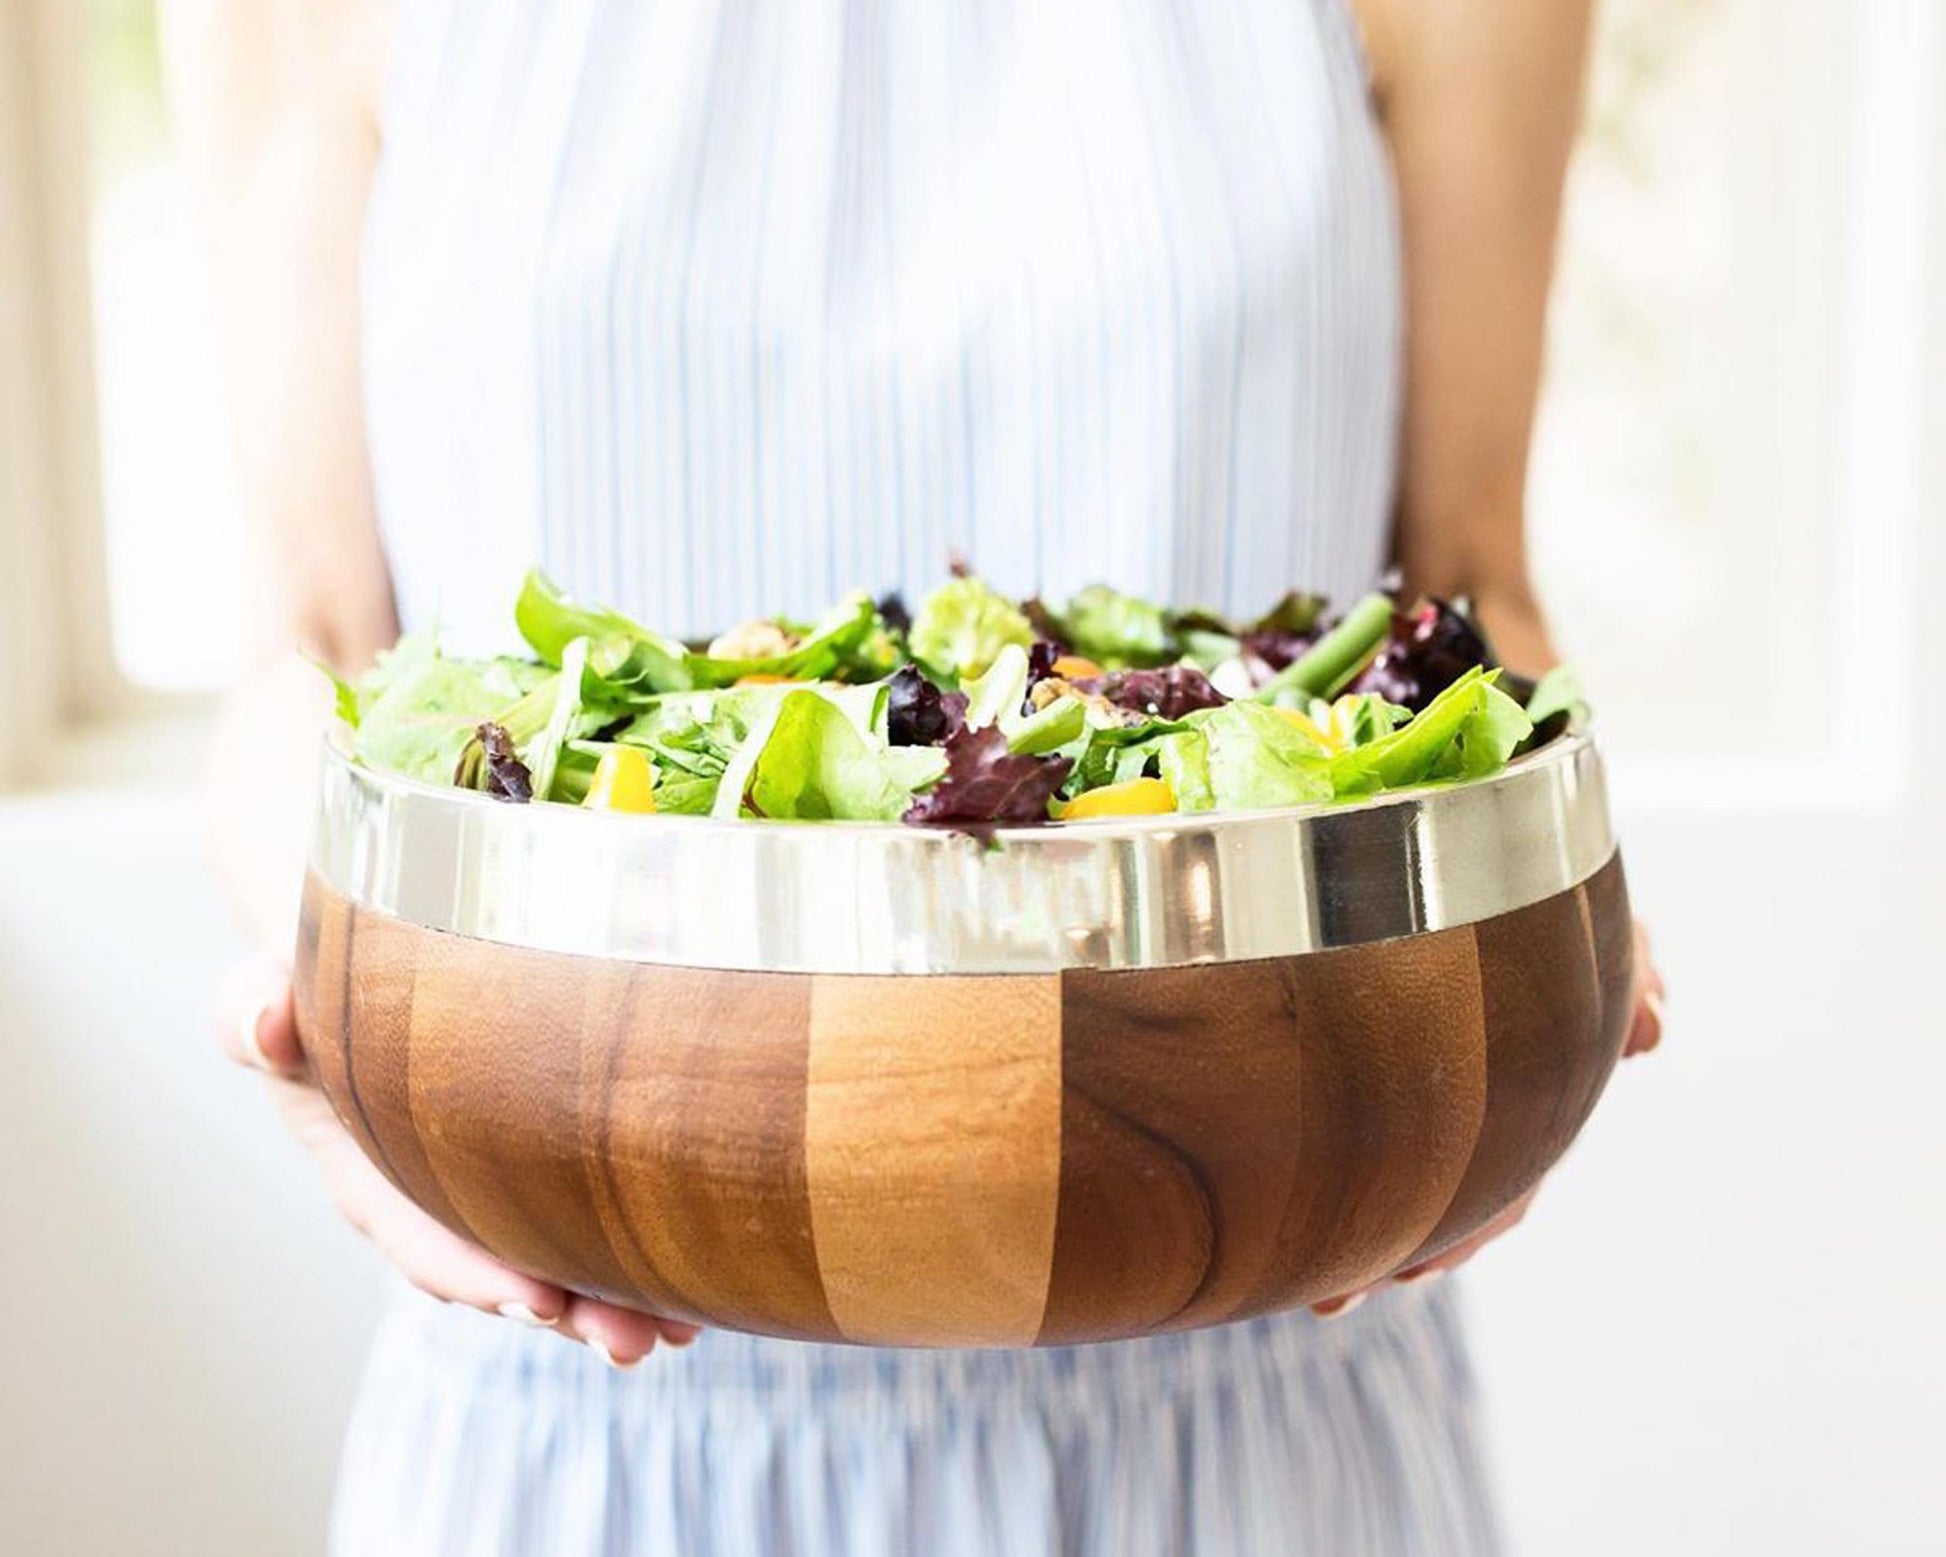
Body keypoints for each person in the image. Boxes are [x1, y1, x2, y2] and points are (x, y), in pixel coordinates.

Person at [176, 0, 1666, 1551]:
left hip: (1252, 1379)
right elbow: (312, 642)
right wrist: (334, 988)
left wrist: (1527, 925)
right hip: (580, 1399)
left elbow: (1466, 585)